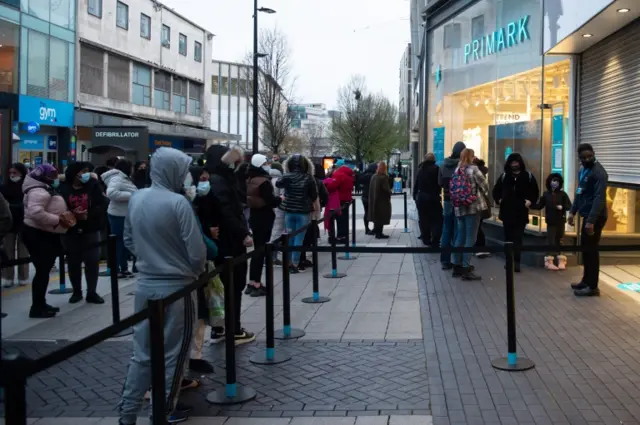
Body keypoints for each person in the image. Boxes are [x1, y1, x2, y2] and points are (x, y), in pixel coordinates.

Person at [117, 147, 206, 425]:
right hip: (177, 287)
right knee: (174, 354)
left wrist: (148, 259)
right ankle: (163, 410)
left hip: (145, 285)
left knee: (142, 353)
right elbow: (197, 251)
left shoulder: (136, 198)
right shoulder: (178, 203)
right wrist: (190, 271)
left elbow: (128, 240)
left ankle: (127, 412)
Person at [203, 144, 255, 345]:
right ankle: (233, 329)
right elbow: (227, 213)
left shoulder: (215, 179)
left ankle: (220, 328)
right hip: (229, 243)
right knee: (232, 286)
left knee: (222, 286)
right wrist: (243, 233)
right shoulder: (219, 182)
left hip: (222, 242)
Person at [22, 164, 75, 318]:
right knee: (42, 271)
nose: (55, 178)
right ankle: (37, 307)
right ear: (42, 175)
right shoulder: (38, 191)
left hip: (45, 234)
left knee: (43, 271)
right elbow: (35, 213)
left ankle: (40, 303)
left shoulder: (43, 187)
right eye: (52, 175)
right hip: (39, 235)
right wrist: (57, 220)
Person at [58, 162, 108, 304]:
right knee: (73, 262)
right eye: (83, 171)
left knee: (92, 261)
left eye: (87, 171)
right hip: (71, 229)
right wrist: (72, 214)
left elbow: (103, 203)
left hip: (91, 228)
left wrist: (89, 214)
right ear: (74, 173)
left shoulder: (93, 185)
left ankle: (91, 292)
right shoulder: (64, 188)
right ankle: (76, 291)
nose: (85, 174)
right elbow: (58, 205)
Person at [569, 143, 608, 297]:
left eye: (589, 156)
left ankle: (592, 286)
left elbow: (599, 199)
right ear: (579, 158)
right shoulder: (583, 170)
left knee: (591, 251)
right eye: (584, 157)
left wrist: (591, 221)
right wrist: (572, 211)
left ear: (594, 154)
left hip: (596, 217)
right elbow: (580, 193)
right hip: (586, 215)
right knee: (586, 250)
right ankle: (586, 280)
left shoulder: (599, 173)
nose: (587, 159)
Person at [492, 152, 539, 272]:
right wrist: (499, 200)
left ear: (520, 163)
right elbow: (496, 190)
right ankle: (509, 262)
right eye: (512, 162)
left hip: (521, 212)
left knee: (518, 238)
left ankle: (516, 262)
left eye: (516, 162)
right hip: (507, 212)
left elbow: (535, 192)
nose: (514, 165)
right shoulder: (504, 176)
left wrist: (530, 202)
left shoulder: (528, 176)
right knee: (508, 238)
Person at [449, 148, 489, 281]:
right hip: (472, 207)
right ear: (471, 157)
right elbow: (485, 185)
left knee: (460, 237)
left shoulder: (457, 169)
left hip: (459, 208)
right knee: (470, 239)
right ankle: (466, 268)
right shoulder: (474, 169)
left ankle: (457, 266)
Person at [276, 154, 318, 273]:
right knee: (299, 238)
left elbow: (278, 184)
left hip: (289, 210)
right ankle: (295, 263)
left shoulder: (286, 176)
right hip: (303, 211)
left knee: (289, 237)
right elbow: (314, 195)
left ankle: (288, 263)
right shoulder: (308, 178)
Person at [246, 154, 280, 296]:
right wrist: (279, 199)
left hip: (254, 216)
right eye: (266, 162)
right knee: (261, 250)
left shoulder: (249, 179)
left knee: (257, 250)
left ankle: (252, 281)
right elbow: (271, 200)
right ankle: (256, 283)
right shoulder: (263, 182)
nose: (268, 164)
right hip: (264, 217)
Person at [102, 159, 138, 278]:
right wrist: (133, 195)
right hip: (118, 215)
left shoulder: (123, 178)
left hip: (125, 214)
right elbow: (111, 193)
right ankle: (116, 268)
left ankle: (123, 268)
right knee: (118, 243)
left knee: (124, 243)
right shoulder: (117, 178)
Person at [531, 173, 572, 271]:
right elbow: (539, 205)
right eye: (553, 181)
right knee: (550, 240)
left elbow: (569, 206)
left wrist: (562, 207)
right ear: (549, 182)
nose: (555, 183)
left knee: (560, 239)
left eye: (557, 181)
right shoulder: (546, 194)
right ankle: (549, 261)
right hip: (551, 221)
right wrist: (530, 205)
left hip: (561, 221)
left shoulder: (563, 194)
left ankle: (561, 260)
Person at [1, 163, 29, 288]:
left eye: (15, 173)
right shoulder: (4, 187)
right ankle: (8, 277)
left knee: (23, 251)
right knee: (8, 250)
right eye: (10, 173)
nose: (12, 175)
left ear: (21, 173)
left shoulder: (27, 186)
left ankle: (23, 277)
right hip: (9, 224)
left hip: (24, 223)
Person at [438, 141, 466, 269]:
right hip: (459, 200)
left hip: (447, 199)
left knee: (446, 228)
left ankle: (444, 259)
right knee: (457, 229)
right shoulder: (461, 166)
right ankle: (456, 260)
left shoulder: (443, 165)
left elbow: (439, 182)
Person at [299, 163, 328, 268]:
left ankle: (298, 258)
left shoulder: (299, 178)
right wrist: (321, 205)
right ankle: (302, 259)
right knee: (308, 234)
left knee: (299, 235)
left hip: (297, 210)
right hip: (311, 210)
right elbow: (325, 196)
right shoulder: (317, 181)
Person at [414, 153, 443, 246]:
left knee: (424, 219)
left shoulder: (420, 169)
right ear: (434, 159)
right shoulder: (437, 169)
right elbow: (440, 183)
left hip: (422, 198)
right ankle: (435, 240)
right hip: (434, 198)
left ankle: (426, 239)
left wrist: (415, 196)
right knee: (436, 220)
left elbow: (416, 184)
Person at [331, 159, 355, 242]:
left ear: (338, 166)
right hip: (347, 198)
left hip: (339, 199)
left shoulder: (338, 174)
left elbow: (332, 186)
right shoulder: (349, 174)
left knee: (339, 219)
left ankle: (340, 237)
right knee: (344, 218)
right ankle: (345, 236)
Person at [368, 161, 392, 239]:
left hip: (374, 200)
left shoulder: (373, 176)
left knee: (376, 216)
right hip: (382, 200)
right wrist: (389, 192)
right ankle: (379, 233)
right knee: (382, 216)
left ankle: (376, 231)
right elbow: (386, 189)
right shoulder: (383, 177)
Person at [473, 158, 491, 258]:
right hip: (480, 203)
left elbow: (485, 187)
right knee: (477, 226)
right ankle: (479, 247)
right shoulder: (480, 171)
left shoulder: (477, 172)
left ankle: (480, 247)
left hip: (479, 203)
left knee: (477, 226)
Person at [269, 162, 285, 266]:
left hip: (270, 208)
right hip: (278, 209)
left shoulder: (268, 179)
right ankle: (273, 258)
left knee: (272, 233)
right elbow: (282, 196)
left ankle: (271, 257)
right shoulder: (279, 180)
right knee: (276, 234)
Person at [359, 163, 377, 235]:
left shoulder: (364, 175)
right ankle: (375, 228)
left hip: (365, 196)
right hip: (372, 196)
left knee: (366, 212)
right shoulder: (374, 176)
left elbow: (359, 182)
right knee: (374, 213)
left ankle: (367, 228)